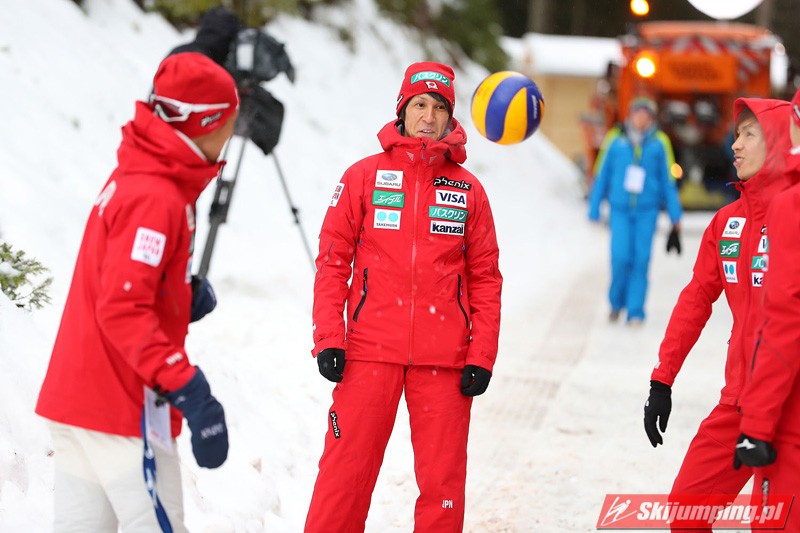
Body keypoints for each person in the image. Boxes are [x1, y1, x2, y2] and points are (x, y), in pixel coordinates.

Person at [35, 52, 238, 532]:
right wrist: (190, 389)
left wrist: (176, 298)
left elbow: (117, 281)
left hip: (79, 397)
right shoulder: (157, 195)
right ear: (206, 123)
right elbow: (123, 309)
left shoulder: (140, 172)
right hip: (120, 409)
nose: (232, 136)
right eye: (229, 124)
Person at [305, 61, 502, 532]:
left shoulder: (468, 190)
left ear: (450, 117)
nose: (429, 117)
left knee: (442, 487)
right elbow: (332, 262)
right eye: (420, 105)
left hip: (444, 360)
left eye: (439, 108)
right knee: (343, 476)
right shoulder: (363, 177)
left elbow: (486, 278)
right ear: (402, 110)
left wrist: (482, 354)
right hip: (369, 353)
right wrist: (329, 337)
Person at [643, 98, 796, 531]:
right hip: (741, 402)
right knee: (686, 511)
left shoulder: (795, 217)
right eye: (736, 135)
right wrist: (662, 380)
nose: (735, 145)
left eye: (749, 134)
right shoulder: (727, 223)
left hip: (792, 408)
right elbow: (695, 300)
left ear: (779, 141)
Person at [734, 90, 800, 530]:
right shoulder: (729, 221)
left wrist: (757, 425)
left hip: (787, 419)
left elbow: (785, 322)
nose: (735, 145)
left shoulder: (790, 207)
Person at [588, 96, 683, 325]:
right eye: (637, 114)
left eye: (646, 115)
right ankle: (616, 303)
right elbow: (602, 174)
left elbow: (668, 181)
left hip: (646, 212)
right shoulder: (615, 139)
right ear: (630, 115)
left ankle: (635, 311)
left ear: (651, 118)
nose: (641, 119)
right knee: (620, 258)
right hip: (620, 210)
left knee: (641, 260)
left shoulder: (660, 142)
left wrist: (675, 215)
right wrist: (594, 206)